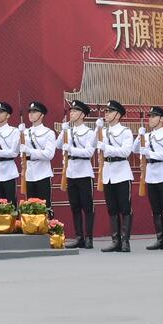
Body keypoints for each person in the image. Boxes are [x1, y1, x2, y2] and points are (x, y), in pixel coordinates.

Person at [134, 106, 163, 251]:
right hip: (151, 175)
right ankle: (160, 238)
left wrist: (150, 153)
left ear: (161, 119)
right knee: (156, 209)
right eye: (150, 116)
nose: (150, 119)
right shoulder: (147, 136)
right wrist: (139, 137)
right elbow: (134, 149)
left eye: (153, 116)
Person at [97, 100, 134, 253]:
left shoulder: (125, 132)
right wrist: (98, 130)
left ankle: (125, 241)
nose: (106, 114)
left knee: (125, 208)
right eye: (106, 111)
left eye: (110, 111)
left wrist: (106, 147)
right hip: (108, 172)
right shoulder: (103, 131)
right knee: (112, 208)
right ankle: (115, 240)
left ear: (118, 115)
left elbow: (125, 152)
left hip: (122, 171)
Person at [61, 100, 96, 249]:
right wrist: (63, 132)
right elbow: (58, 145)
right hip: (71, 172)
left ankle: (89, 237)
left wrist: (71, 149)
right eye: (71, 111)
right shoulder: (68, 131)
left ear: (82, 115)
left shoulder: (89, 132)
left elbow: (89, 152)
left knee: (87, 207)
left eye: (75, 111)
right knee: (75, 206)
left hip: (84, 172)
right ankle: (79, 237)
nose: (72, 113)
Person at [20, 101, 56, 213]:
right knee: (31, 209)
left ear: (42, 115)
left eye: (35, 112)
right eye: (30, 111)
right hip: (29, 173)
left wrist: (30, 151)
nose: (31, 114)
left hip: (43, 173)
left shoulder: (48, 132)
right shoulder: (25, 132)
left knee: (44, 208)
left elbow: (49, 154)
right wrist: (19, 134)